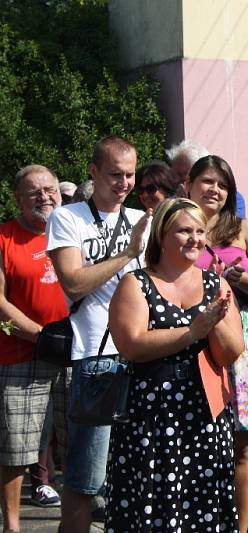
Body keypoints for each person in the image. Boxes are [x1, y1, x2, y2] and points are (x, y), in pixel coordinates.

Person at [106, 199, 244, 531]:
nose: (195, 239)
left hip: (204, 418)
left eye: (200, 231)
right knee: (156, 504)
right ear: (162, 235)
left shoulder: (215, 284)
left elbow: (231, 352)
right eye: (184, 230)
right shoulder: (136, 283)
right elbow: (131, 345)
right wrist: (191, 332)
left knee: (203, 505)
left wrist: (217, 320)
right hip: (152, 417)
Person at [46, 135, 151, 533]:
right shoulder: (68, 218)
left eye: (129, 175)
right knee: (85, 481)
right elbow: (73, 282)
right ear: (93, 171)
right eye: (114, 175)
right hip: (94, 359)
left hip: (140, 354)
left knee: (133, 474)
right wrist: (128, 253)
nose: (123, 183)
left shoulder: (143, 218)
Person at [189, 155, 248, 533]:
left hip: (243, 340)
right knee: (194, 443)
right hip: (191, 337)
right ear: (188, 186)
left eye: (222, 184)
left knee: (242, 448)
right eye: (207, 181)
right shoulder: (177, 227)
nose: (214, 190)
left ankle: (239, 529)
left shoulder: (243, 229)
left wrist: (239, 277)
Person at [0, 165, 69, 532]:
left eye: (50, 189)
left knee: (76, 443)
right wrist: (40, 336)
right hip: (21, 357)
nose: (45, 196)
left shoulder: (73, 229)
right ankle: (12, 527)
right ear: (18, 200)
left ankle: (74, 521)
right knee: (15, 450)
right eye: (34, 192)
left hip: (75, 354)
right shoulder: (4, 237)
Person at [166, 139, 246, 218]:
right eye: (173, 174)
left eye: (181, 174)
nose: (176, 179)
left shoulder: (233, 199)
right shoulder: (171, 201)